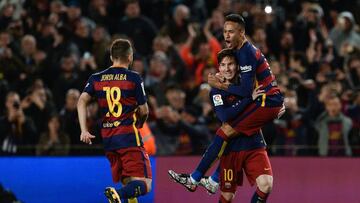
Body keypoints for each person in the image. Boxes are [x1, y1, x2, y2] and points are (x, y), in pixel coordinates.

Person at [169, 14, 284, 201]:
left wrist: (221, 85)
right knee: (227, 132)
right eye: (224, 32)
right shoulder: (238, 60)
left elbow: (247, 90)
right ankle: (212, 179)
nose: (227, 36)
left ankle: (196, 178)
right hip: (265, 105)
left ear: (242, 32)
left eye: (231, 32)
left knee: (225, 132)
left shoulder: (245, 53)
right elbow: (226, 112)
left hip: (266, 103)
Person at [77, 39, 152, 203]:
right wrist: (139, 123)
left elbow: (81, 101)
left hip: (109, 140)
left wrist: (84, 130)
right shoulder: (133, 78)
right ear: (130, 57)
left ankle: (121, 194)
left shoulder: (96, 78)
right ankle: (117, 193)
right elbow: (145, 110)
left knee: (128, 181)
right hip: (128, 138)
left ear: (112, 57)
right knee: (145, 184)